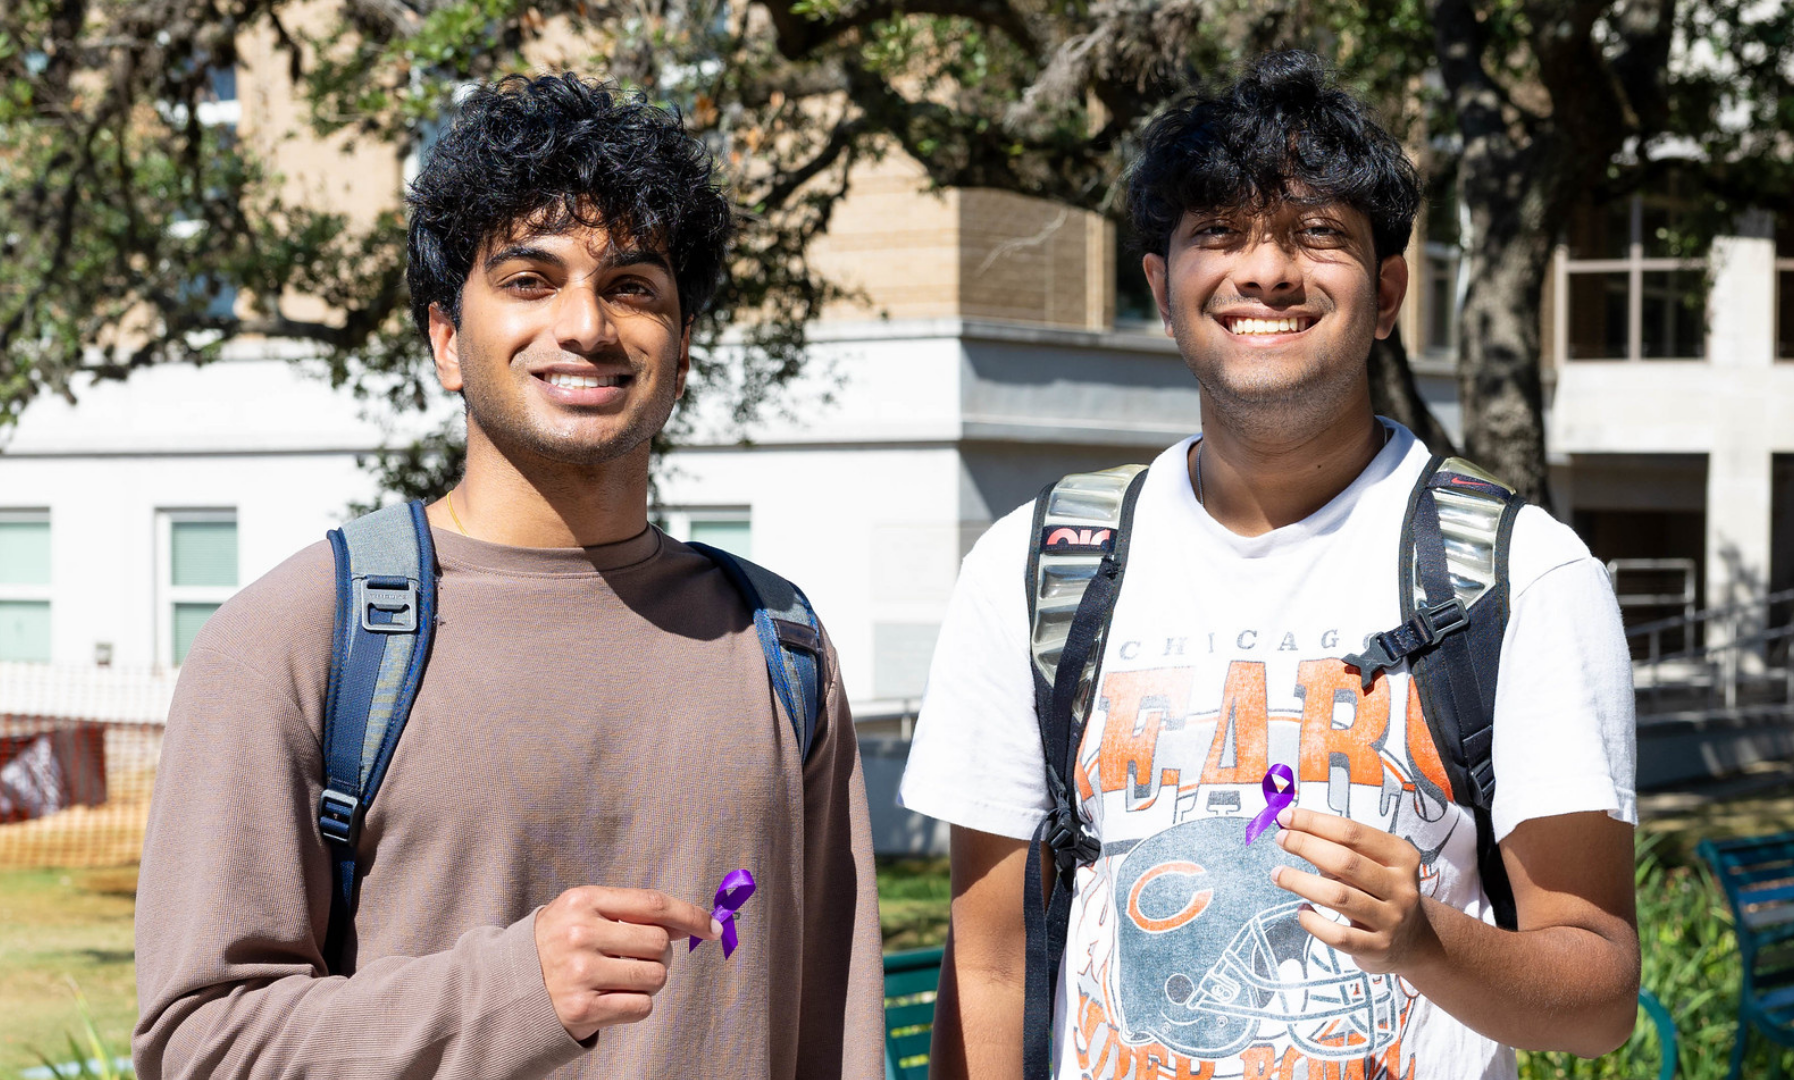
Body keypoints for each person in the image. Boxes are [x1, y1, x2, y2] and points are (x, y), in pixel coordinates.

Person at [899, 51, 1639, 1080]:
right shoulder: (1032, 570)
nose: (1266, 270)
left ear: (1386, 294)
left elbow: (1597, 996)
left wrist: (1423, 936)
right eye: (1219, 233)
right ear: (1162, 289)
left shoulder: (1526, 576)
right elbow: (988, 962)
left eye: (1317, 233)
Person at [134, 74, 883, 1079]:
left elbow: (833, 1034)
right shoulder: (299, 638)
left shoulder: (778, 643)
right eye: (529, 280)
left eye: (631, 287)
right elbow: (198, 1045)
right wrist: (515, 988)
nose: (585, 324)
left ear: (684, 348)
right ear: (447, 338)